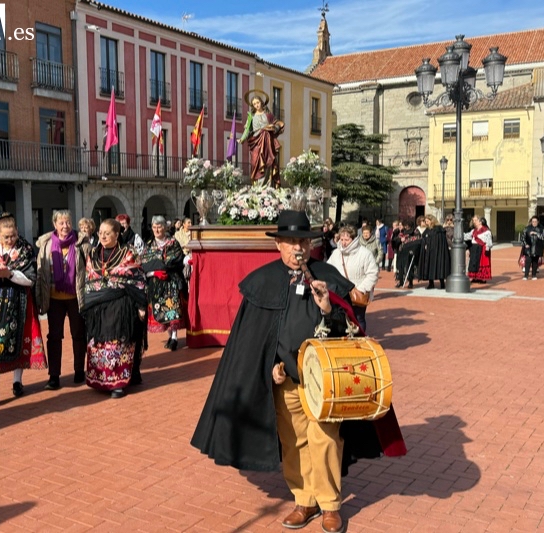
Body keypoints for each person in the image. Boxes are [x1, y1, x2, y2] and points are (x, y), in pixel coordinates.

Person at [191, 210, 405, 533]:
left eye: (303, 242)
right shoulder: (262, 282)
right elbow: (254, 340)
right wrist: (269, 368)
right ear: (278, 244)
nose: (297, 248)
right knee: (294, 442)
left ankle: (331, 504)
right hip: (284, 380)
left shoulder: (327, 276)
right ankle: (304, 500)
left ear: (311, 244)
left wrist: (328, 307)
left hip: (323, 383)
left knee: (326, 439)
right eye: (290, 241)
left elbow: (350, 329)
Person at [0, 213, 46, 403]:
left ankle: (17, 382)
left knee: (19, 339)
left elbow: (30, 279)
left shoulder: (25, 249)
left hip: (19, 299)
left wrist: (11, 273)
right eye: (6, 236)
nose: (10, 239)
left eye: (13, 235)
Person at [81, 219, 147, 399]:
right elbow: (89, 279)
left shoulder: (128, 253)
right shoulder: (93, 254)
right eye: (101, 232)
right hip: (98, 307)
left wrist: (141, 305)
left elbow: (138, 280)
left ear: (117, 235)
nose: (102, 236)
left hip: (121, 305)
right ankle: (100, 379)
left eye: (107, 233)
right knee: (98, 344)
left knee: (117, 343)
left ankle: (118, 382)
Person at [35, 210, 88, 390]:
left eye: (68, 222)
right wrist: (40, 299)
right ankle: (54, 376)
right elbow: (40, 274)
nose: (65, 226)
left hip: (76, 298)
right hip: (54, 299)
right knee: (54, 337)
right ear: (55, 225)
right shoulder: (47, 245)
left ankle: (79, 370)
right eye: (61, 223)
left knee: (79, 335)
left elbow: (89, 270)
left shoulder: (82, 244)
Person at [141, 215, 188, 352]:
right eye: (154, 227)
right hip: (156, 284)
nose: (156, 229)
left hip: (171, 281)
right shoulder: (149, 244)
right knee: (162, 311)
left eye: (159, 226)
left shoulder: (173, 243)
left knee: (173, 309)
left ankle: (174, 337)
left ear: (165, 227)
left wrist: (180, 263)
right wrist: (153, 273)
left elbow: (179, 259)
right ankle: (170, 336)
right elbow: (145, 264)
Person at [327, 225, 379, 332]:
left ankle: (360, 341)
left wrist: (361, 289)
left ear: (354, 238)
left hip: (357, 293)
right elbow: (329, 270)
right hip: (339, 294)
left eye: (347, 239)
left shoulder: (365, 254)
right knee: (340, 319)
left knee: (358, 319)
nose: (344, 242)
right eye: (341, 239)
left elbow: (373, 273)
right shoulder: (336, 253)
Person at [239, 92, 284, 185]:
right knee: (256, 162)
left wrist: (274, 127)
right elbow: (247, 130)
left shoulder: (268, 115)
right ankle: (257, 186)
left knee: (268, 162)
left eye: (257, 102)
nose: (256, 105)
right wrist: (242, 139)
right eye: (254, 104)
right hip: (256, 142)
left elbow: (277, 124)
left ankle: (267, 186)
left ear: (261, 102)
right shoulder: (251, 116)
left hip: (267, 142)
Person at [420, 215, 451, 290]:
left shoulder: (439, 229)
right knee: (429, 266)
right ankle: (431, 283)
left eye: (427, 221)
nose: (426, 223)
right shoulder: (428, 229)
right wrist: (426, 244)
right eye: (425, 221)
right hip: (430, 252)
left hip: (438, 251)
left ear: (432, 221)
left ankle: (442, 283)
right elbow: (424, 237)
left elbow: (440, 241)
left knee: (439, 266)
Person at [464, 216, 493, 284]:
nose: (474, 222)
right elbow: (467, 236)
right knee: (474, 262)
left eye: (476, 220)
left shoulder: (486, 231)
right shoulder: (474, 231)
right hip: (474, 248)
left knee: (481, 263)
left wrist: (487, 248)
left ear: (480, 222)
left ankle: (482, 278)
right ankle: (475, 277)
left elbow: (489, 241)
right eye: (474, 221)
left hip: (482, 249)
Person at [395, 221, 421, 289]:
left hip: (409, 251)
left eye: (407, 225)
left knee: (409, 266)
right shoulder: (401, 232)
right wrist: (400, 240)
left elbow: (417, 239)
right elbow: (396, 240)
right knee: (400, 267)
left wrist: (407, 240)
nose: (406, 227)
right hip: (401, 251)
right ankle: (400, 281)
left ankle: (410, 282)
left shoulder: (415, 231)